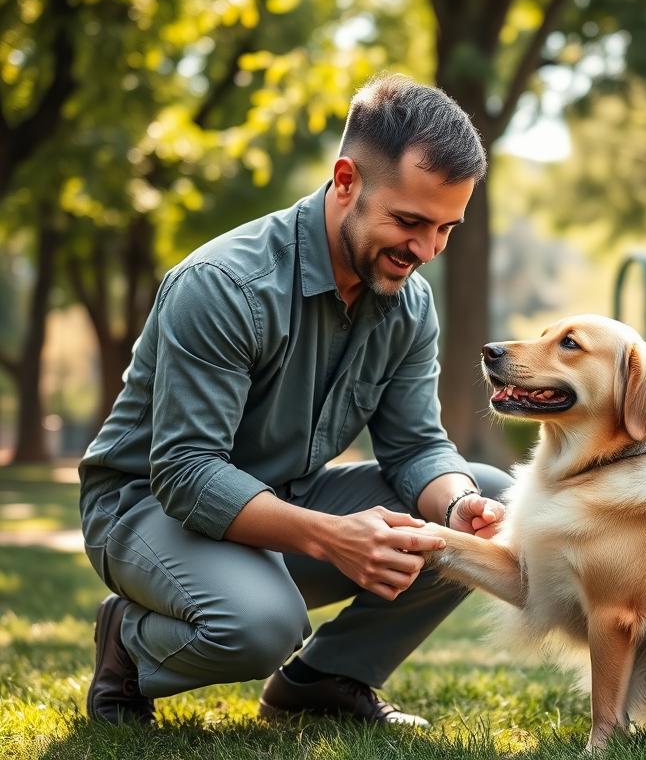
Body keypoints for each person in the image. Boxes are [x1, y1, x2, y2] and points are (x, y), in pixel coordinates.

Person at [80, 74, 512, 727]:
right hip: (147, 510)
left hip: (281, 501)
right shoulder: (224, 285)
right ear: (345, 182)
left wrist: (457, 506)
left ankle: (324, 681)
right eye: (409, 221)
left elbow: (417, 445)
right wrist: (335, 538)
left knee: (487, 495)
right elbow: (186, 473)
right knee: (261, 625)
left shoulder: (407, 304)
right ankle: (127, 644)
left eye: (446, 229)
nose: (425, 251)